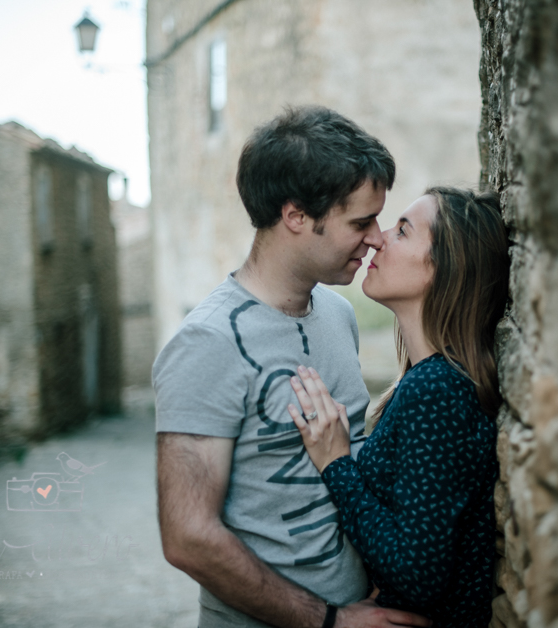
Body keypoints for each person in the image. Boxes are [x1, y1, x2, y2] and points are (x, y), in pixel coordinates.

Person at [153, 105, 432, 628]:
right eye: (360, 222)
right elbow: (187, 536)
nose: (375, 238)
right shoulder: (207, 343)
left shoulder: (338, 314)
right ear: (297, 216)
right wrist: (329, 621)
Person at [288, 187, 510, 628]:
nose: (379, 238)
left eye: (403, 230)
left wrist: (336, 464)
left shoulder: (438, 391)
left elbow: (417, 574)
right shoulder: (432, 379)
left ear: (443, 268)